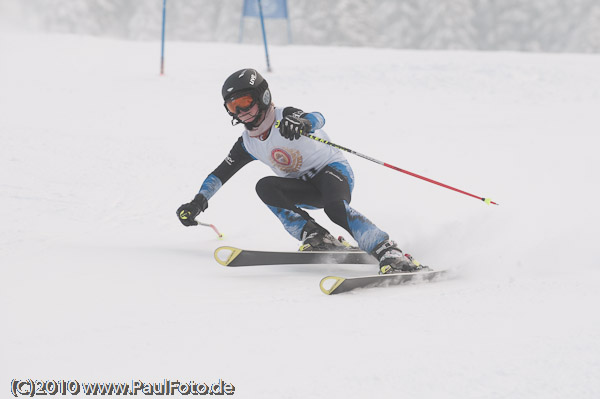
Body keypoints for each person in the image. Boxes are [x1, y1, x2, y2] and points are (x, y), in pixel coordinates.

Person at [177, 68, 422, 274]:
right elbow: (219, 174)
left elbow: (318, 117)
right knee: (265, 186)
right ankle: (314, 235)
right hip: (304, 188)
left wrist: (304, 123)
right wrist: (198, 202)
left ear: (262, 97)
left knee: (335, 209)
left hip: (332, 172)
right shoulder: (248, 143)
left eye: (244, 103)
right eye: (233, 107)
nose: (241, 113)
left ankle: (387, 250)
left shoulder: (285, 116)